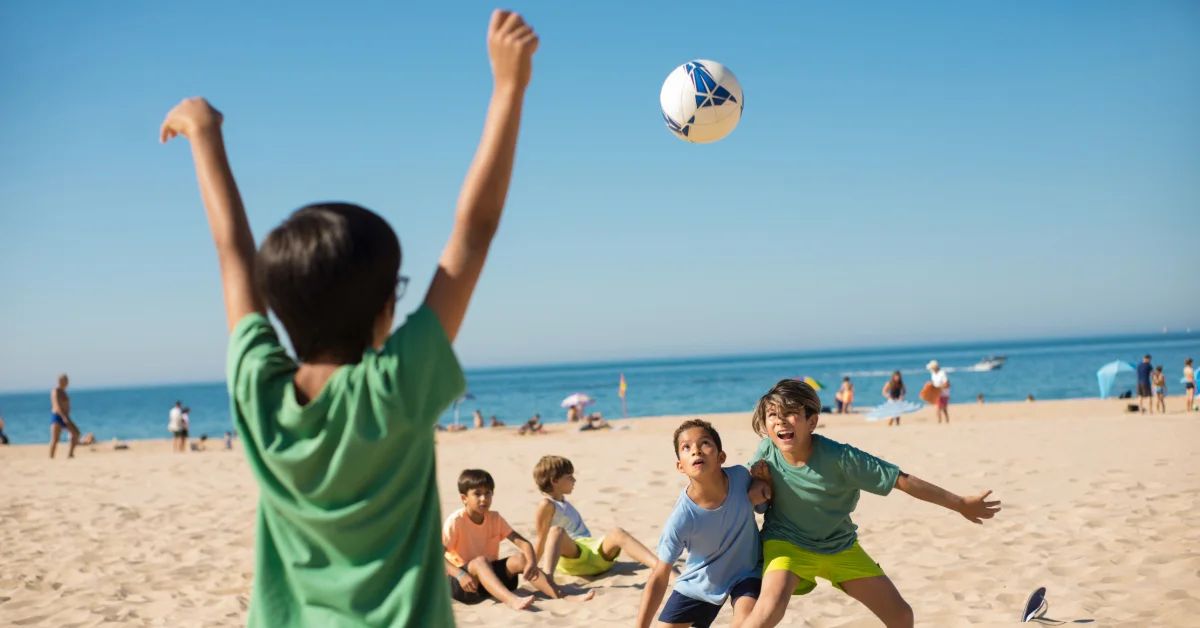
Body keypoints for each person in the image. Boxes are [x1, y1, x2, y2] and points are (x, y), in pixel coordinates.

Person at [158, 10, 539, 625]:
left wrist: (205, 135)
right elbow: (475, 231)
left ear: (276, 308)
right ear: (387, 307)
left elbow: (231, 253)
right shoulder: (396, 387)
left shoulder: (259, 388)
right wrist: (508, 87)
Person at [742, 379, 1000, 628]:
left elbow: (902, 481)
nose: (780, 421)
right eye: (772, 415)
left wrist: (960, 503)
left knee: (901, 616)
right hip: (787, 544)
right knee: (769, 611)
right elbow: (742, 490)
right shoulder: (766, 451)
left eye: (789, 413)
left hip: (840, 546)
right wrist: (756, 487)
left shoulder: (842, 458)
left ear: (812, 421)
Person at [635, 419, 771, 628]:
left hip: (747, 571)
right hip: (701, 581)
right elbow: (660, 576)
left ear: (721, 457)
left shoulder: (741, 477)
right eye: (686, 447)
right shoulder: (682, 517)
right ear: (680, 466)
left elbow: (762, 505)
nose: (696, 451)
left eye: (705, 443)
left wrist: (763, 483)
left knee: (746, 623)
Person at [443, 469, 593, 611]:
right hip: (463, 585)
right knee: (480, 561)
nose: (484, 499)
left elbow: (524, 543)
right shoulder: (456, 521)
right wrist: (460, 575)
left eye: (488, 493)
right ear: (464, 498)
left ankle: (563, 596)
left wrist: (532, 563)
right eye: (477, 494)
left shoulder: (494, 518)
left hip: (491, 581)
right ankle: (512, 600)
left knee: (521, 559)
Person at [533, 455, 658, 586]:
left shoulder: (564, 502)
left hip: (593, 556)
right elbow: (542, 538)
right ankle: (547, 581)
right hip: (572, 557)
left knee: (617, 532)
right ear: (554, 481)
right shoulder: (546, 504)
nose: (574, 480)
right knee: (555, 531)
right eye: (569, 476)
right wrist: (532, 566)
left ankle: (662, 568)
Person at [50, 373, 80, 459]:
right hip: (58, 416)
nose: (67, 383)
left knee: (76, 433)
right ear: (61, 381)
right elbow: (57, 405)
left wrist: (66, 416)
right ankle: (51, 457)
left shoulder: (64, 392)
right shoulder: (55, 391)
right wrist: (63, 417)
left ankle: (70, 453)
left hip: (66, 416)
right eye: (65, 381)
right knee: (55, 439)